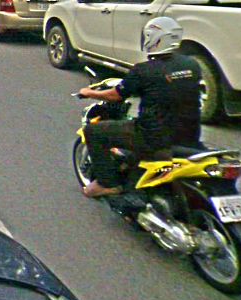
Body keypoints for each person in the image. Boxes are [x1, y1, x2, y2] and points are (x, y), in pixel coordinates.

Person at [79, 17, 202, 198]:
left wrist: (89, 92)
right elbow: (169, 87)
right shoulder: (192, 64)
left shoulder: (143, 70)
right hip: (189, 133)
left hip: (152, 137)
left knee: (92, 131)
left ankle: (107, 184)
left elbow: (115, 95)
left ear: (154, 39)